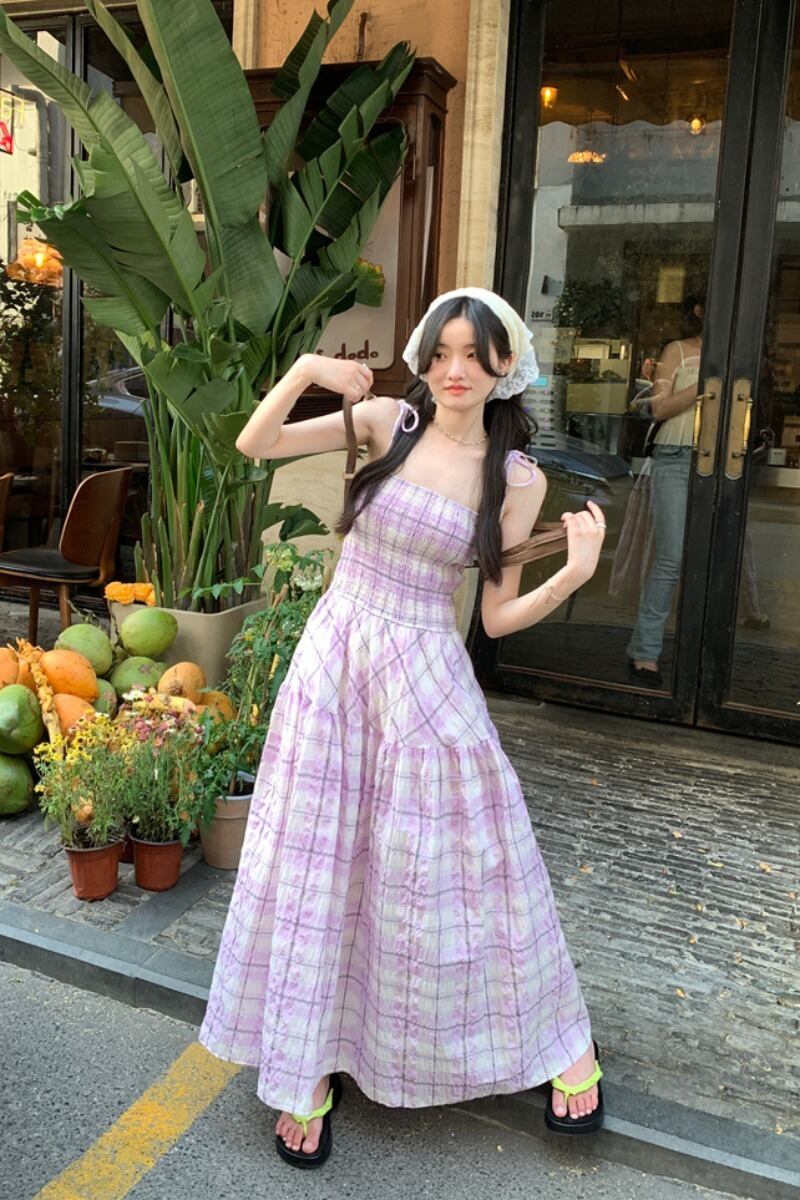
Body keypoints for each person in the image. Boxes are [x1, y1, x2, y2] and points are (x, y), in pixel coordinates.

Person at [198, 286, 607, 1168]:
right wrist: (309, 369)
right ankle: (307, 1059)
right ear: (424, 357)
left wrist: (572, 576)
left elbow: (494, 617)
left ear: (506, 365)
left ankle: (558, 1038)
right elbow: (255, 443)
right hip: (337, 662)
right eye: (441, 352)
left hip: (428, 672)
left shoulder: (517, 478)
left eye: (475, 355)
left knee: (478, 854)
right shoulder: (388, 422)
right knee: (318, 857)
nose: (455, 371)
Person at [627, 294, 767, 685]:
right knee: (672, 557)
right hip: (676, 457)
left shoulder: (742, 358)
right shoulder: (677, 350)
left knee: (721, 557)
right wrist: (707, 382)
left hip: (725, 463)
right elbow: (657, 408)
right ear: (700, 311)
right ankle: (645, 651)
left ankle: (710, 658)